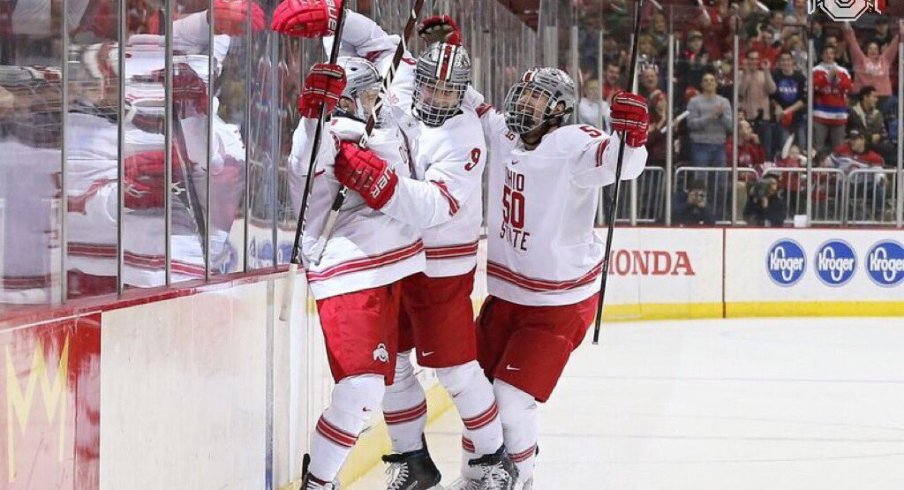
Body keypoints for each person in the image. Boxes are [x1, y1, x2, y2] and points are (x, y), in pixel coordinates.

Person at [324, 13, 518, 488]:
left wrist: (379, 182)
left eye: (451, 93)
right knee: (393, 365)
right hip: (397, 256)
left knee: (453, 368)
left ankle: (494, 459)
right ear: (420, 78)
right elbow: (376, 43)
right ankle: (413, 460)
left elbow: (437, 204)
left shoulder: (465, 135)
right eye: (432, 88)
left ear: (463, 94)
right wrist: (333, 17)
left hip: (443, 267)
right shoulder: (404, 83)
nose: (437, 99)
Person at [474, 67, 648, 489]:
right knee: (477, 395)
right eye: (524, 94)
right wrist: (448, 54)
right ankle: (479, 476)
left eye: (539, 97)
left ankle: (522, 478)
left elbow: (621, 165)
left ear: (559, 110)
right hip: (507, 295)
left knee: (511, 401)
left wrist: (633, 136)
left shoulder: (573, 143)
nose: (526, 103)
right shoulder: (504, 134)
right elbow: (466, 100)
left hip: (558, 303)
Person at [284, 55, 426, 489]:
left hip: (394, 271)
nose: (373, 104)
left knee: (390, 379)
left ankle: (416, 462)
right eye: (364, 97)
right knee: (361, 392)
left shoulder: (382, 131)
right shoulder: (324, 135)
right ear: (343, 101)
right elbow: (305, 163)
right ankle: (319, 482)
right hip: (351, 277)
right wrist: (314, 116)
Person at [686, 72, 732, 175]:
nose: (709, 82)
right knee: (700, 181)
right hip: (700, 146)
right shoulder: (694, 102)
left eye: (712, 80)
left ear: (716, 83)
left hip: (719, 146)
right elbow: (691, 124)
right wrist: (709, 118)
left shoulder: (724, 102)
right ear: (701, 84)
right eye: (706, 80)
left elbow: (730, 126)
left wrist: (721, 116)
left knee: (720, 181)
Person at [841, 20, 900, 98]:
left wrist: (901, 32)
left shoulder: (885, 59)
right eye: (870, 48)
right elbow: (853, 43)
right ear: (866, 50)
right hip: (864, 96)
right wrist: (847, 26)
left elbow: (895, 44)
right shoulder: (860, 59)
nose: (873, 51)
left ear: (879, 50)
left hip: (883, 97)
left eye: (875, 48)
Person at [812, 44, 852, 152]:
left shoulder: (843, 71)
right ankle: (817, 167)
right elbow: (814, 87)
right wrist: (827, 77)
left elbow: (848, 87)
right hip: (820, 115)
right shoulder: (815, 70)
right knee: (817, 147)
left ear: (835, 55)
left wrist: (837, 79)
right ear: (821, 55)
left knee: (839, 149)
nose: (829, 56)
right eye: (826, 53)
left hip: (839, 115)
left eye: (831, 53)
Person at [848, 86, 896, 167]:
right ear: (865, 97)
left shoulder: (877, 114)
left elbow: (883, 134)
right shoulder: (853, 113)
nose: (876, 99)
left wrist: (877, 136)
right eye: (873, 97)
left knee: (892, 148)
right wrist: (871, 137)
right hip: (857, 144)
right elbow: (855, 132)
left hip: (875, 144)